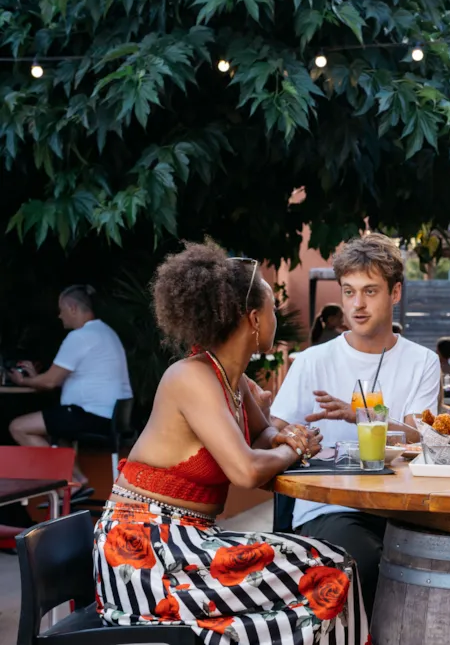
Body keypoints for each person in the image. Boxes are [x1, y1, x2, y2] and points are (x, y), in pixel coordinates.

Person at [94, 241, 367, 644]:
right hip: (146, 553)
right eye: (274, 308)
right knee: (330, 568)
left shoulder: (229, 380)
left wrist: (284, 436)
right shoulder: (191, 377)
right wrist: (295, 447)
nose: (277, 317)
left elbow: (262, 434)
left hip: (187, 542)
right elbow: (246, 470)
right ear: (255, 319)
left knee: (329, 567)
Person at [270, 233, 439, 619]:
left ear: (395, 293)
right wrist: (292, 437)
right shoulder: (313, 361)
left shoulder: (422, 361)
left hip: (406, 506)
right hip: (330, 507)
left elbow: (419, 435)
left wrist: (359, 414)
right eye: (348, 292)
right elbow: (274, 429)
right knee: (364, 562)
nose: (357, 305)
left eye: (370, 291)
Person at [8, 284, 132, 491]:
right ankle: (78, 482)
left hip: (90, 416)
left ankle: (70, 480)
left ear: (72, 307)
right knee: (58, 429)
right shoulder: (106, 332)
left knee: (18, 427)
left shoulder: (81, 336)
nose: (59, 315)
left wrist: (23, 381)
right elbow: (54, 378)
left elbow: (49, 382)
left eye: (61, 309)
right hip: (111, 417)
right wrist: (36, 378)